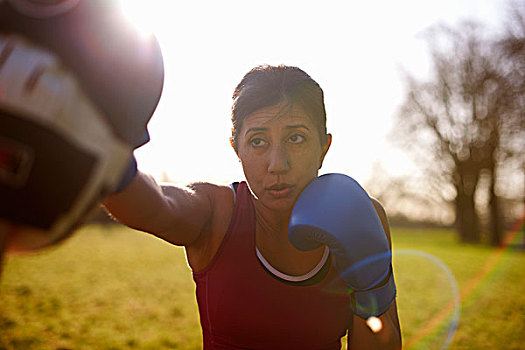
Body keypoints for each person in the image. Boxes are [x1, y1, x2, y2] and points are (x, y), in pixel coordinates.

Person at [104, 65, 402, 349]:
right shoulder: (218, 212)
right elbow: (157, 206)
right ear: (237, 149)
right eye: (258, 142)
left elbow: (381, 339)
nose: (277, 165)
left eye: (296, 138)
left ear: (323, 147)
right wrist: (102, 146)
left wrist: (371, 291)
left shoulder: (361, 216)